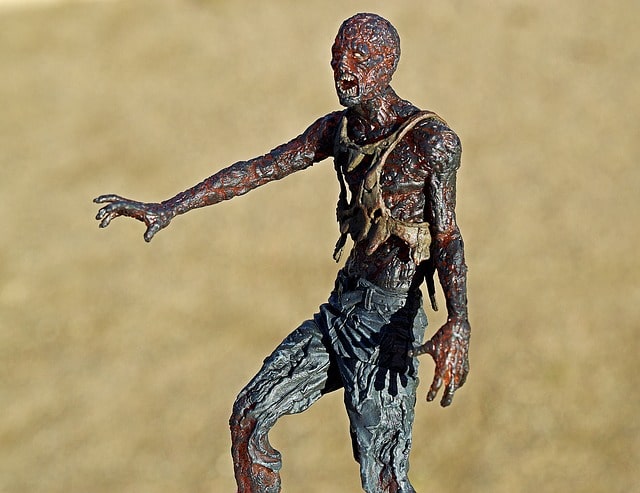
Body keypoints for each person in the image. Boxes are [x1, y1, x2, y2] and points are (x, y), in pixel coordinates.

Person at [95, 12, 470, 493]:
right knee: (249, 417)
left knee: (385, 479)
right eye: (337, 57)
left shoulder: (430, 143)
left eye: (359, 58)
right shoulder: (338, 131)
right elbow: (257, 170)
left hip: (388, 328)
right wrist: (169, 207)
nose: (344, 68)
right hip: (343, 309)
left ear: (387, 64)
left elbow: (447, 237)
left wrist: (458, 322)